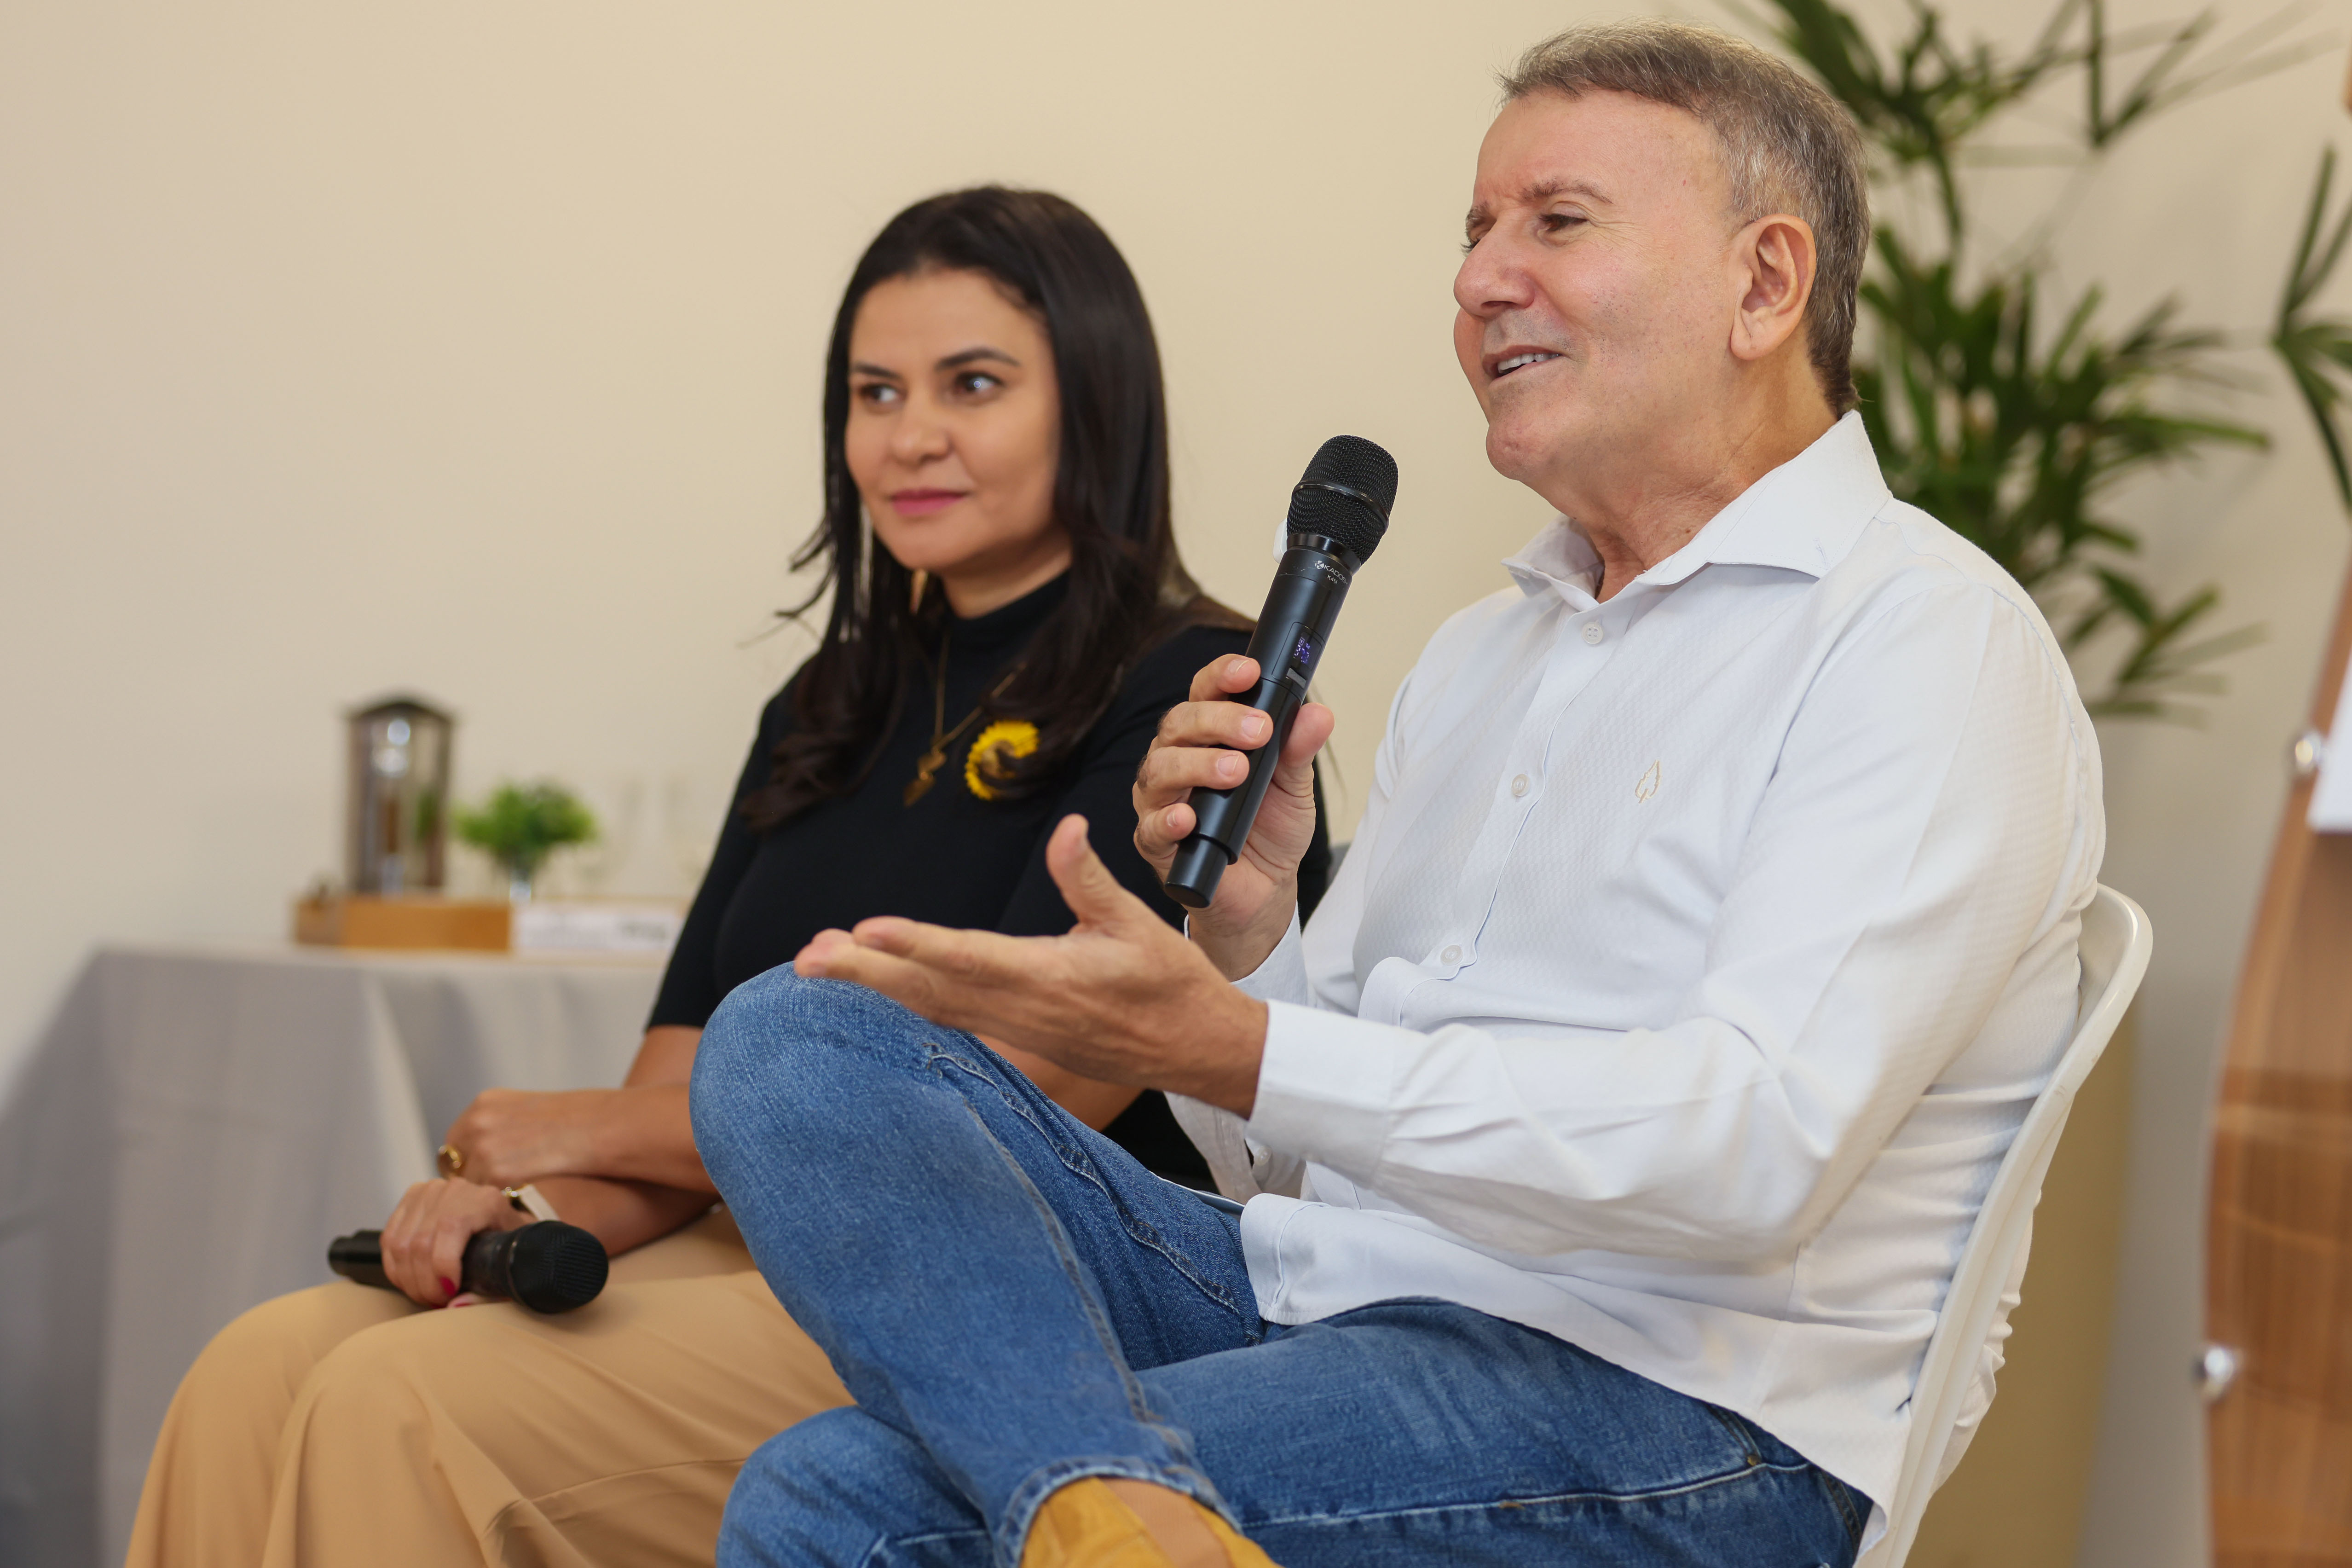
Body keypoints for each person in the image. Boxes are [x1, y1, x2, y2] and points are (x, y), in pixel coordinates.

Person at [690, 20, 2105, 1568]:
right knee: (795, 1039)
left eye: (1556, 223)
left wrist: (1242, 1042)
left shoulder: (1922, 638)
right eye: (1476, 231)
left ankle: (1099, 1510)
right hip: (1336, 1296)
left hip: (1678, 1411)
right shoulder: (1482, 656)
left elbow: (1756, 1158)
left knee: (842, 1504)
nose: (1482, 278)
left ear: (1765, 285)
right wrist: (1250, 946)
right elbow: (1304, 1159)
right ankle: (1111, 1505)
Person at [125, 185, 1328, 1568]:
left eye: (974, 385)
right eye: (875, 392)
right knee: (259, 1366)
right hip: (730, 1249)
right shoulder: (831, 701)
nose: (911, 434)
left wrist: (572, 1133)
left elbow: (1018, 1100)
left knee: (391, 1403)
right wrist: (532, 1218)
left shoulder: (1191, 689)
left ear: (1097, 406)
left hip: (980, 1283)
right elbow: (668, 1082)